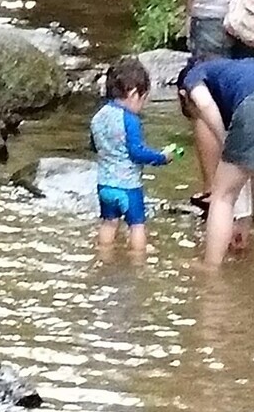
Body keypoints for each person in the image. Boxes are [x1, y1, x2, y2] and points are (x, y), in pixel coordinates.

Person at [90, 57, 172, 256]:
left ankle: (104, 257)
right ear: (134, 93)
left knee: (108, 224)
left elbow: (93, 146)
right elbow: (137, 152)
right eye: (143, 99)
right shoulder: (130, 119)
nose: (142, 105)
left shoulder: (98, 116)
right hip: (128, 188)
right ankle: (137, 263)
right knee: (137, 226)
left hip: (105, 186)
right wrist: (162, 157)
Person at [180, 56, 254, 265]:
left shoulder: (195, 75)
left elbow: (204, 104)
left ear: (183, 95)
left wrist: (225, 142)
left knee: (222, 196)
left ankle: (210, 270)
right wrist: (244, 220)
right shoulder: (240, 69)